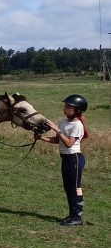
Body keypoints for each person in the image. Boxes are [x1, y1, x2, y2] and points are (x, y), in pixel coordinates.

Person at [38, 94, 88, 226]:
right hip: (66, 158)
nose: (65, 108)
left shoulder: (77, 125)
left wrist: (56, 129)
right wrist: (41, 138)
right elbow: (58, 140)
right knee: (68, 187)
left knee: (75, 187)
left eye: (69, 107)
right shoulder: (63, 122)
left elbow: (69, 144)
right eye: (65, 106)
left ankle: (77, 216)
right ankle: (72, 214)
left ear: (78, 110)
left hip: (75, 158)